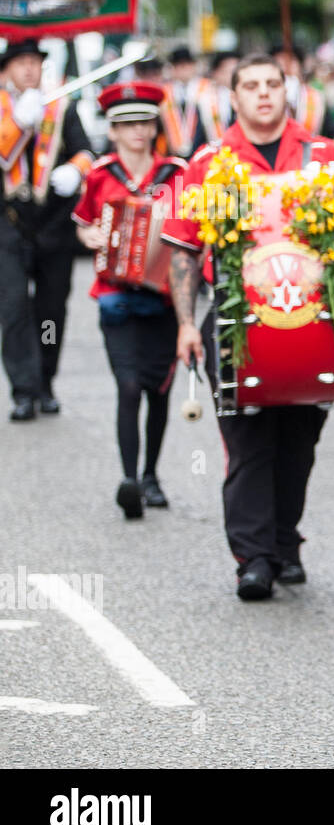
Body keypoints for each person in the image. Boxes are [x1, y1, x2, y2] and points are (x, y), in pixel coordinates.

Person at [163, 54, 334, 601]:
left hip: (314, 322)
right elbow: (184, 250)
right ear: (233, 98)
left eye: (272, 85)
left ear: (288, 93)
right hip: (236, 322)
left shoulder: (325, 157)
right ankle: (253, 558)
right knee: (249, 438)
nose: (262, 95)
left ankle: (285, 541)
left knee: (300, 439)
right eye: (250, 86)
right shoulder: (209, 162)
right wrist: (187, 323)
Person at [70, 83, 188, 518]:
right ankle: (130, 480)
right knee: (128, 386)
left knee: (158, 389)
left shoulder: (176, 172)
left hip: (165, 300)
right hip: (115, 299)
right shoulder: (101, 173)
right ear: (113, 131)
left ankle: (152, 474)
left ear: (155, 126)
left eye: (144, 122)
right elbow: (82, 223)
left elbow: (193, 228)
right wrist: (93, 236)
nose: (137, 131)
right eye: (126, 124)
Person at [0, 37, 94, 421]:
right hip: (7, 226)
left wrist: (76, 170)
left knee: (51, 312)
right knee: (14, 309)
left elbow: (87, 152)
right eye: (20, 62)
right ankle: (23, 390)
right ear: (6, 69)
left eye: (34, 62)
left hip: (54, 224)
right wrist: (19, 123)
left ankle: (46, 381)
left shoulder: (62, 105)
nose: (28, 69)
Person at [159, 46, 204, 158]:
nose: (183, 69)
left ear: (194, 66)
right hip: (172, 154)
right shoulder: (164, 92)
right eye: (178, 65)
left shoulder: (207, 90)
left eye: (187, 64)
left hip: (201, 151)